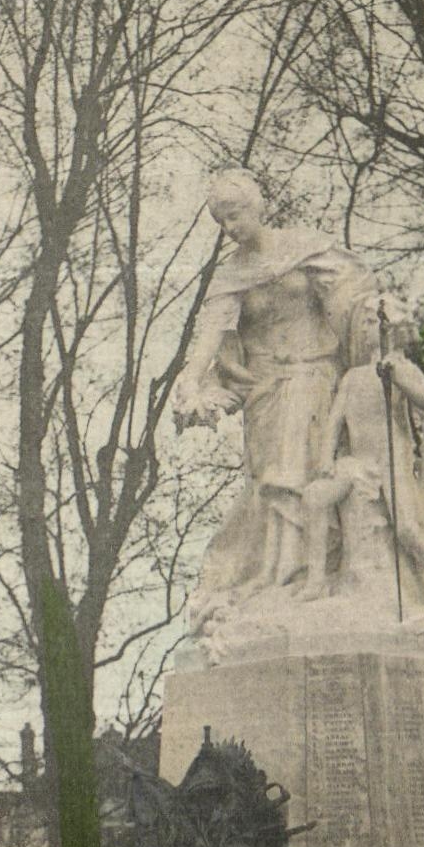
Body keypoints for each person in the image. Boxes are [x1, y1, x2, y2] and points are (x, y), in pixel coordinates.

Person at [173, 168, 378, 619]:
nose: (230, 228)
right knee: (269, 481)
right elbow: (211, 333)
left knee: (305, 469)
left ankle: (311, 574)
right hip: (265, 389)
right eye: (221, 221)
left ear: (257, 206)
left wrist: (375, 343)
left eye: (235, 214)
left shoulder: (305, 247)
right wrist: (191, 378)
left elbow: (353, 300)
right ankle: (279, 574)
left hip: (315, 374)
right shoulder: (231, 276)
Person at [296, 297, 424, 622]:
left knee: (407, 529)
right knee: (315, 497)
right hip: (357, 463)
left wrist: (400, 380)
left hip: (393, 462)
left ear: (391, 328)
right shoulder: (353, 377)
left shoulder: (402, 369)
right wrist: (325, 458)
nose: (366, 328)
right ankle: (316, 581)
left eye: (373, 322)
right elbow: (334, 421)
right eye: (364, 323)